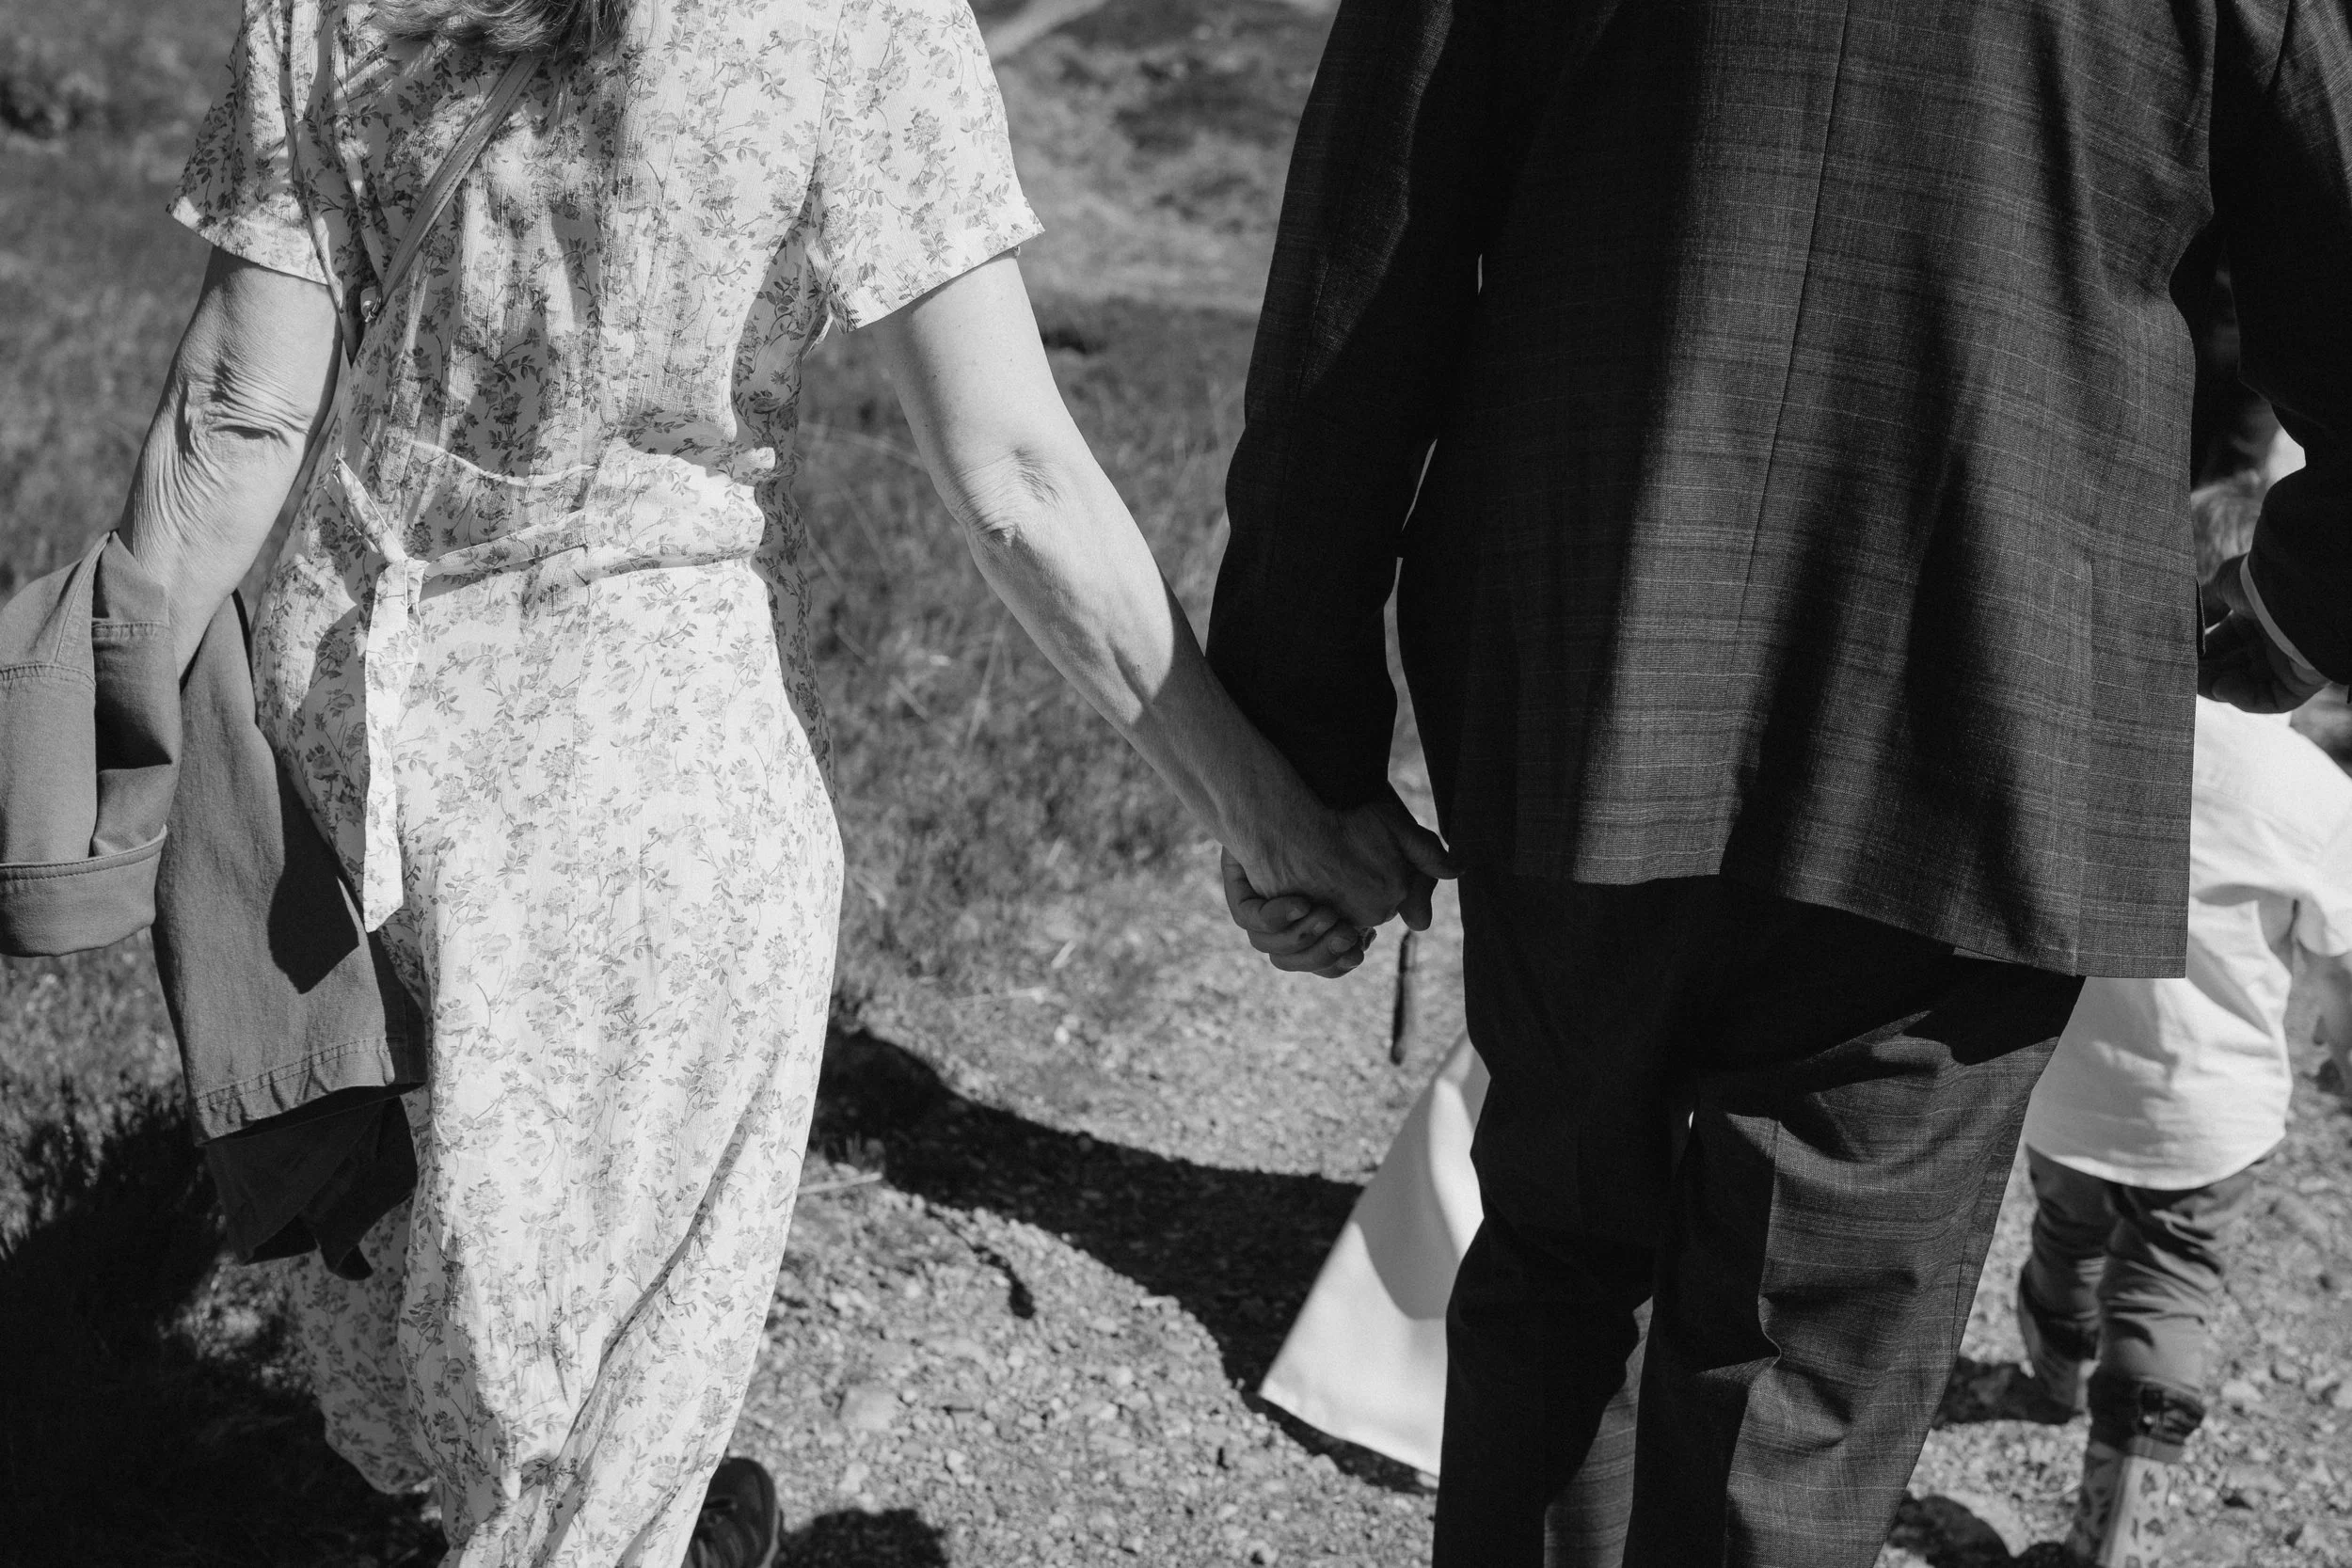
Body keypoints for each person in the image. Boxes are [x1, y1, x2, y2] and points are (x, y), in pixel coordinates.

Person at [133, 1, 1445, 1562]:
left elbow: (239, 393)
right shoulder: (857, 15)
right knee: (594, 1426)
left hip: (348, 724)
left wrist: (112, 714)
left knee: (435, 1267)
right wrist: (1267, 818)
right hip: (636, 774)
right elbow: (1015, 478)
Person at [1207, 2, 2352, 1563]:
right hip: (1990, 705)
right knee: (1810, 1381)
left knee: (1557, 1272)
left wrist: (1298, 748)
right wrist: (2286, 614)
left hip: (1590, 675)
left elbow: (1361, 270)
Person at [2014, 481, 2352, 1566]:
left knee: (2065, 1235)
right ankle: (2112, 1499)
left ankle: (2050, 1370)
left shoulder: (2074, 743)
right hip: (2212, 1113)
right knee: (2170, 1277)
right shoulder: (2306, 787)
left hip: (2062, 1089)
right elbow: (2341, 965)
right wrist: (2340, 1052)